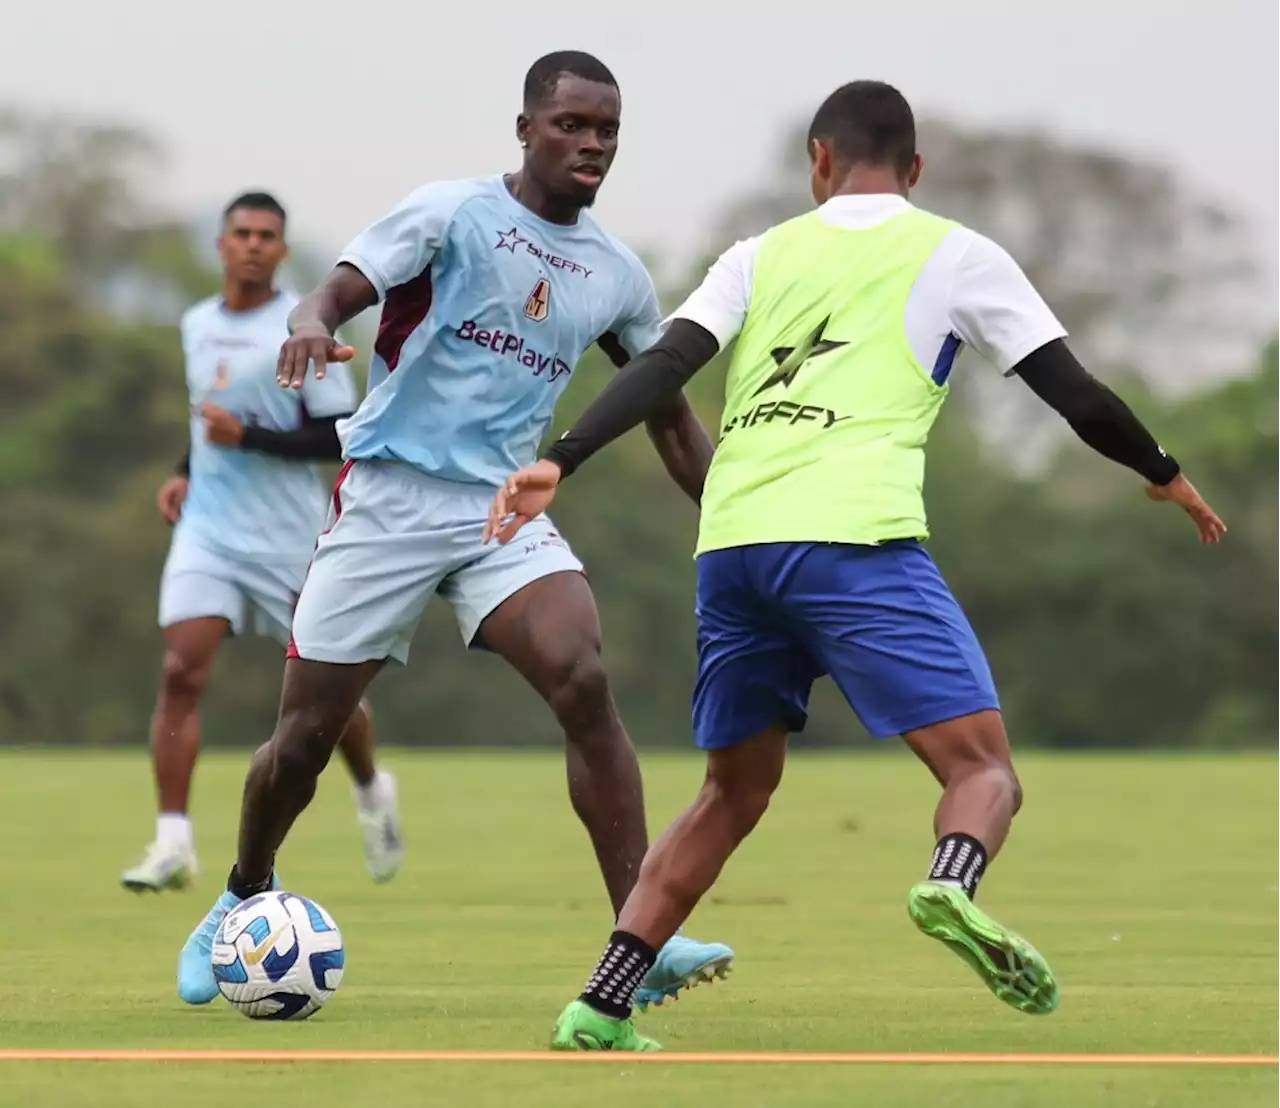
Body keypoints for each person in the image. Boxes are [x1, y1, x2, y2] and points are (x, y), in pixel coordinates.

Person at [485, 79, 1228, 1052]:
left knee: (731, 791)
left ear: (817, 163)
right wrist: (1163, 474)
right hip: (849, 540)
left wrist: (561, 459)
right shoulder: (955, 252)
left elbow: (660, 367)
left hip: (734, 546)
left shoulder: (757, 253)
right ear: (912, 168)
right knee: (982, 771)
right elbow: (1074, 394)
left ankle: (598, 1004)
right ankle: (948, 882)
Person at [173, 52, 734, 1010]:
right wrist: (306, 323)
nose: (591, 143)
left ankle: (640, 941)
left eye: (607, 130)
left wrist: (740, 517)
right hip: (388, 498)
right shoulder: (451, 213)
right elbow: (334, 294)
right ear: (525, 129)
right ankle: (240, 893)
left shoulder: (618, 275)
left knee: (583, 677)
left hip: (500, 509)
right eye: (571, 125)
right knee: (303, 742)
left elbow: (671, 419)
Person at [123, 192, 403, 901]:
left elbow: (338, 435)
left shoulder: (302, 330)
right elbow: (203, 418)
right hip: (208, 533)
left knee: (323, 704)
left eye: (266, 236)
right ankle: (172, 842)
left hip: (287, 538)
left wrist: (245, 438)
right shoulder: (196, 324)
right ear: (221, 244)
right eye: (241, 233)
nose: (252, 244)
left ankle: (372, 787)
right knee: (181, 670)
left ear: (282, 251)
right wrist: (184, 471)